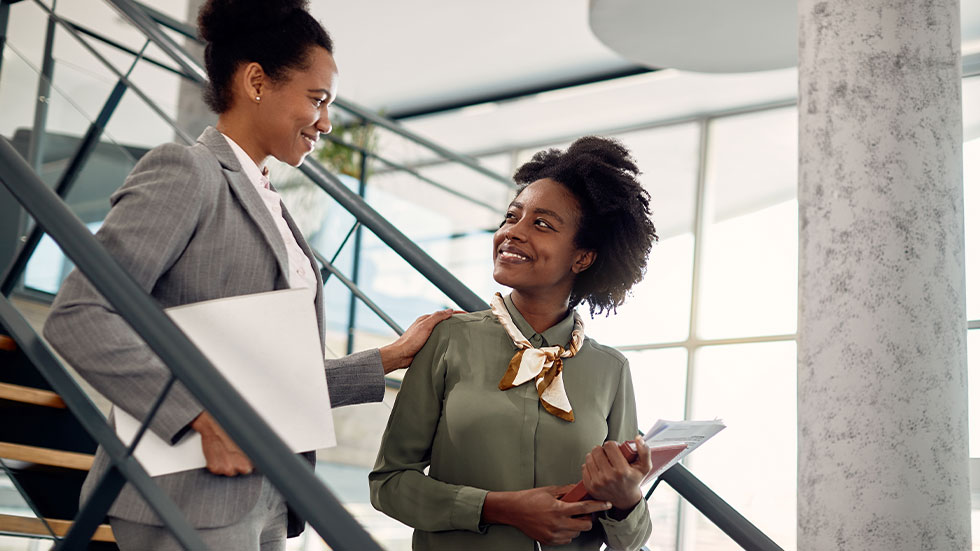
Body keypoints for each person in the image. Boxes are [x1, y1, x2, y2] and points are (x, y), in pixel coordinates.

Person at [42, 1, 452, 549]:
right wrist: (198, 418)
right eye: (317, 98)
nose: (326, 122)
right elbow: (78, 316)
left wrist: (386, 359)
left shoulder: (271, 202)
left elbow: (264, 380)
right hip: (186, 490)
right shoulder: (187, 172)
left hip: (268, 491)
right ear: (257, 81)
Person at [369, 136, 660, 550]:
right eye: (511, 216)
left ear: (583, 258)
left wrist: (627, 499)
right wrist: (498, 507)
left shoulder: (610, 369)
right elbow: (389, 483)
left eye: (541, 224)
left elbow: (630, 541)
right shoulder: (447, 340)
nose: (511, 233)